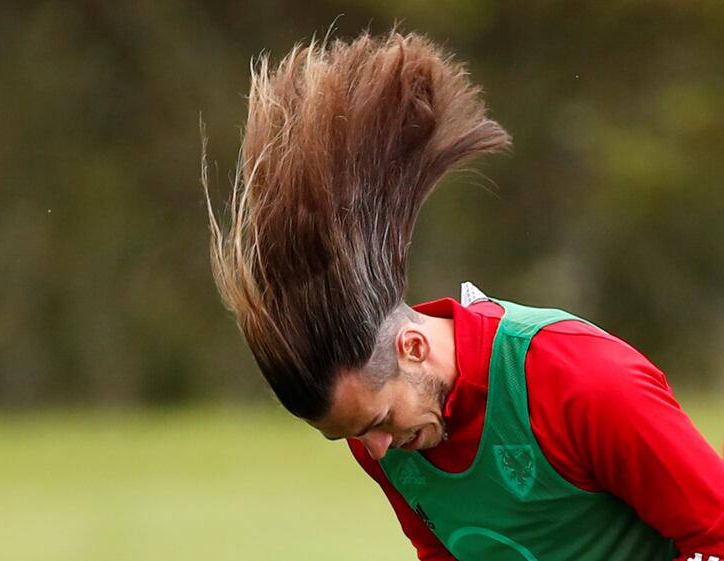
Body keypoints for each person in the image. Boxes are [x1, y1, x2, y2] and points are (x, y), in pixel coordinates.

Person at [203, 30, 724, 561]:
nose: (376, 449)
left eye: (378, 422)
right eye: (355, 437)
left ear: (412, 348)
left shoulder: (582, 380)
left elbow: (718, 534)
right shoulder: (384, 437)